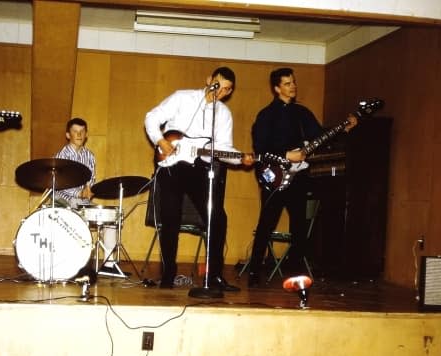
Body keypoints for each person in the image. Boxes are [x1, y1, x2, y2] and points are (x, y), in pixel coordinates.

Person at [145, 67, 254, 291]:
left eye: (226, 90)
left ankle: (213, 275)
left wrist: (240, 158)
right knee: (170, 217)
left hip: (200, 167)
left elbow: (223, 148)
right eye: (218, 85)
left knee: (217, 217)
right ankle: (168, 274)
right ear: (209, 80)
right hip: (171, 165)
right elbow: (152, 117)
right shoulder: (182, 97)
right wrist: (160, 141)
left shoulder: (223, 114)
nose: (220, 92)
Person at [247, 67, 357, 287]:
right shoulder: (266, 116)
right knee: (266, 224)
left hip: (299, 178)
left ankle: (295, 272)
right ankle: (254, 272)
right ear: (277, 88)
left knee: (299, 226)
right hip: (275, 178)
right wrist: (286, 155)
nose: (293, 86)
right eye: (287, 83)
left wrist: (343, 129)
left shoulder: (302, 114)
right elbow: (260, 148)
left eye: (293, 82)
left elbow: (320, 137)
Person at [54, 118, 95, 209]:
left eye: (82, 131)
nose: (79, 134)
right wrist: (79, 193)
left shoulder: (90, 155)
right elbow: (60, 183)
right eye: (75, 131)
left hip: (81, 201)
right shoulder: (62, 156)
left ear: (86, 134)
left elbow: (91, 178)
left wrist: (88, 187)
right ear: (68, 135)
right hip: (62, 201)